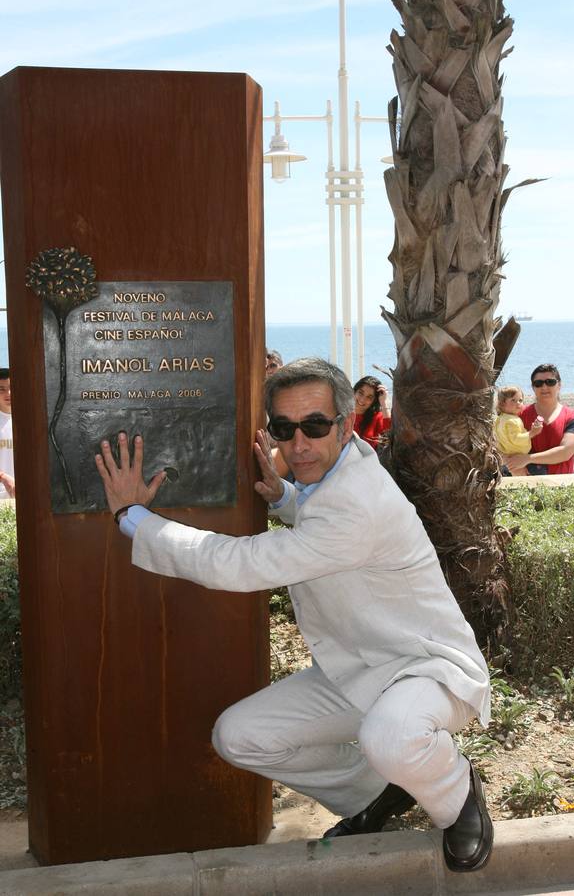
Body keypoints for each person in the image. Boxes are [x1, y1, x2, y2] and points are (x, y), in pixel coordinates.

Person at [95, 357, 493, 873]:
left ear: (346, 425)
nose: (298, 444)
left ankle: (458, 795)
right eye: (284, 429)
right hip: (360, 669)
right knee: (240, 737)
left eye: (314, 426)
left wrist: (134, 517)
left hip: (424, 669)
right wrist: (284, 495)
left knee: (390, 738)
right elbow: (320, 521)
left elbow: (243, 563)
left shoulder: (357, 502)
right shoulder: (343, 471)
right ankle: (377, 792)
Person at [505, 364, 574, 476]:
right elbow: (504, 442)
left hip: (561, 486)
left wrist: (528, 459)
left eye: (550, 382)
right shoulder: (519, 414)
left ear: (559, 385)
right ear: (533, 387)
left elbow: (565, 452)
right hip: (524, 485)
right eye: (538, 383)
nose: (544, 387)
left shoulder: (572, 417)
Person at [494, 386, 543, 476]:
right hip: (516, 453)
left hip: (507, 453)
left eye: (520, 400)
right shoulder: (511, 421)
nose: (518, 403)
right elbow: (515, 439)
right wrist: (532, 433)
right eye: (513, 400)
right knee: (522, 477)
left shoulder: (500, 418)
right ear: (502, 404)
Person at [353, 375, 391, 449]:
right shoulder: (341, 411)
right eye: (361, 393)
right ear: (354, 392)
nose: (362, 399)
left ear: (374, 401)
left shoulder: (377, 417)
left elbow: (390, 435)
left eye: (369, 397)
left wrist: (383, 402)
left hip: (367, 460)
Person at [0, 369, 15, 499]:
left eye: (11, 388)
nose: (8, 393)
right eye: (2, 389)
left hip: (24, 496)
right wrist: (3, 477)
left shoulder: (28, 421)